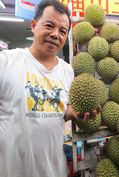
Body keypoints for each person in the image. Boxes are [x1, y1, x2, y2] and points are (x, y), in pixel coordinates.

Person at [0, 1, 98, 177]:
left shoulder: (67, 71)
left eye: (62, 31)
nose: (55, 35)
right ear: (33, 25)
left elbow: (60, 109)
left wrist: (74, 112)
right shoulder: (6, 62)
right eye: (49, 26)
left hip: (54, 170)